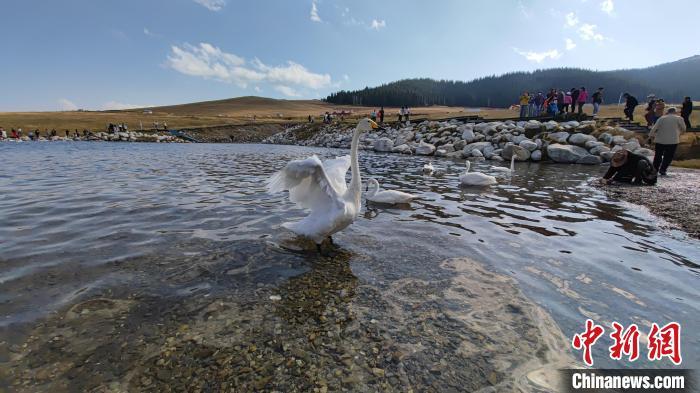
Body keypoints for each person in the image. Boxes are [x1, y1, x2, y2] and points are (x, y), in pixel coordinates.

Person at [648, 107, 686, 176]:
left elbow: (654, 128)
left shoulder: (661, 118)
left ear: (667, 112)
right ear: (675, 112)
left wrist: (650, 137)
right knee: (668, 156)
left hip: (660, 140)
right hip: (673, 140)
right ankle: (663, 169)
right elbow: (684, 129)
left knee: (658, 156)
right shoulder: (679, 118)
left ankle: (655, 169)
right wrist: (679, 133)